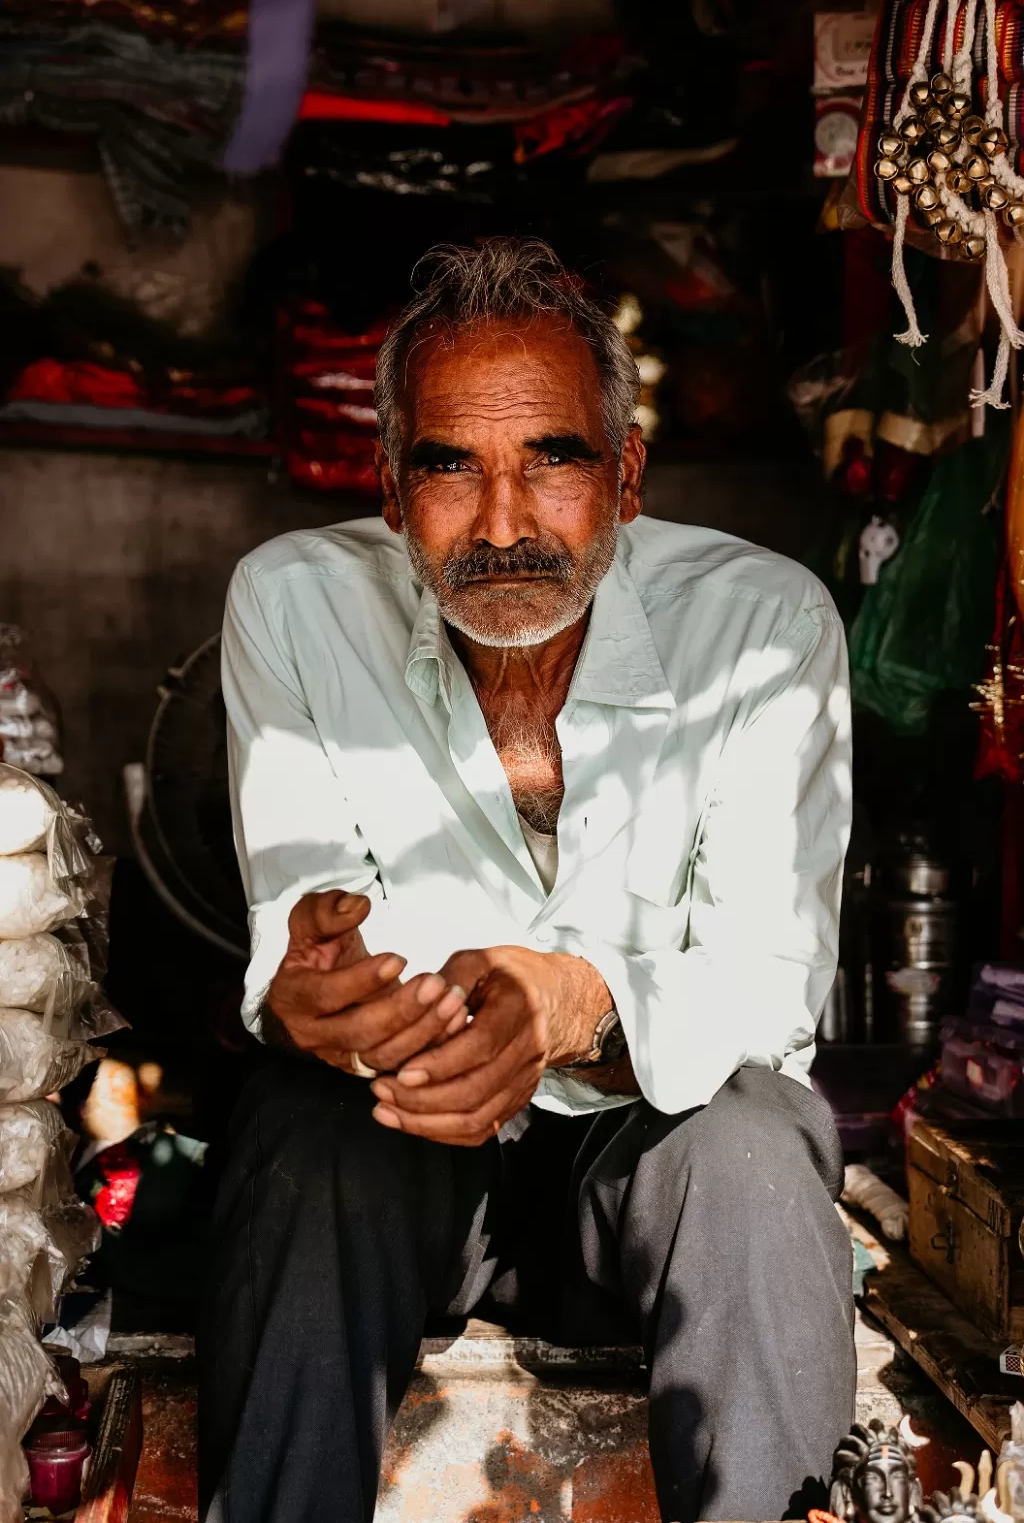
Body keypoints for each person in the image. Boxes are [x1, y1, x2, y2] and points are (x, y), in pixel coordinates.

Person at [200, 237, 856, 1523]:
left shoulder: (764, 628)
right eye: (450, 466)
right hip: (404, 1154)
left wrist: (568, 1005)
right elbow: (305, 923)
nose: (503, 526)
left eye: (552, 459)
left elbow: (768, 985)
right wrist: (323, 999)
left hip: (646, 1158)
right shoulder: (291, 605)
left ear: (624, 477)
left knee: (756, 1154)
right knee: (300, 1139)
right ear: (391, 492)